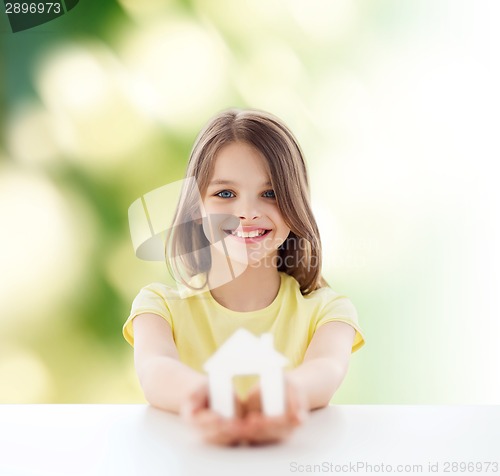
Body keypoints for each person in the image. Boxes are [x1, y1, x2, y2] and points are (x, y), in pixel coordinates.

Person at [122, 108, 365, 446]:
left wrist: (285, 395)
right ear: (196, 208)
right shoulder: (158, 308)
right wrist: (203, 397)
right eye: (225, 194)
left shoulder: (329, 312)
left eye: (270, 193)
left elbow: (326, 368)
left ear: (296, 204)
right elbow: (154, 368)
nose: (248, 212)